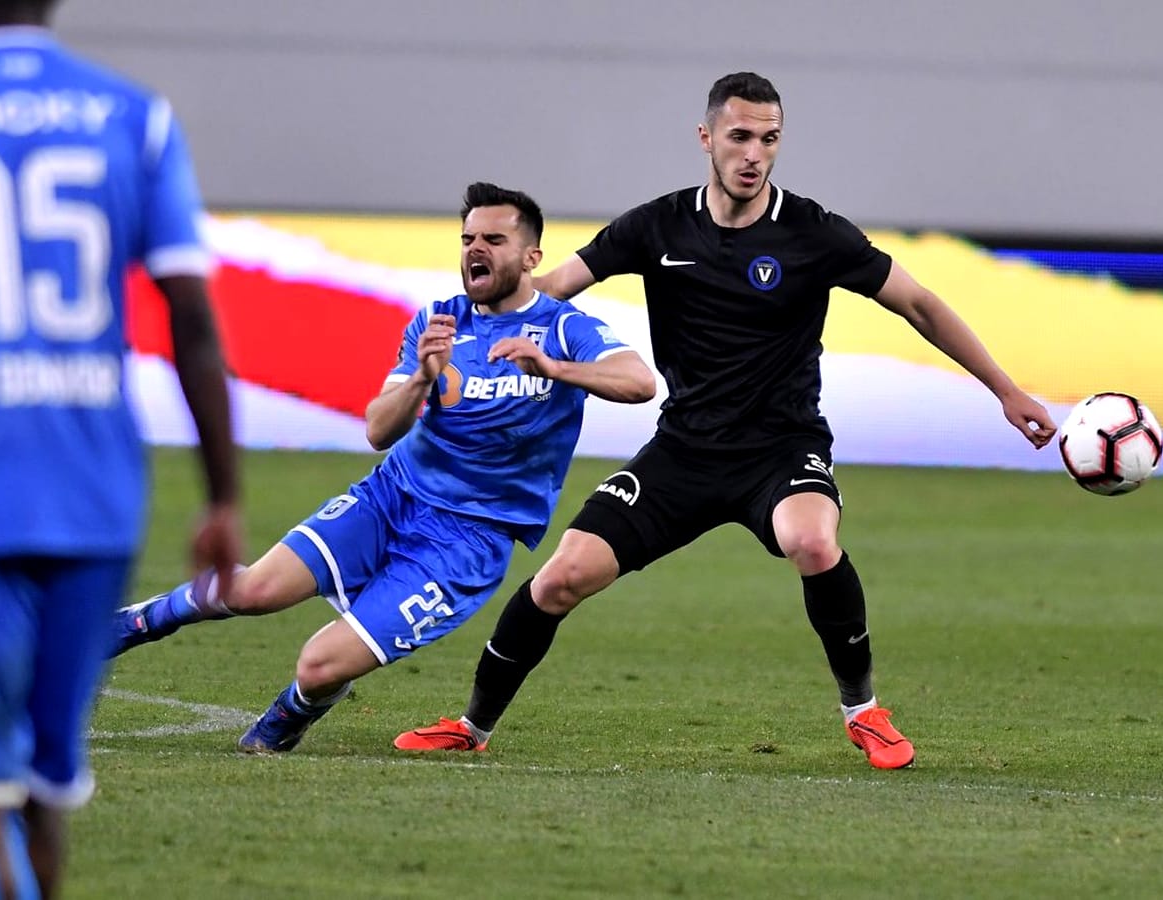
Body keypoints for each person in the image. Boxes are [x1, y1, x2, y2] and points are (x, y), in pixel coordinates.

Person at [394, 72, 1058, 770]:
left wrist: (1005, 392)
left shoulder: (814, 232)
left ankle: (864, 711)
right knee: (562, 576)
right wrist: (479, 339)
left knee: (810, 538)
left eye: (769, 139)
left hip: (782, 448)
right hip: (683, 451)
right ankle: (472, 724)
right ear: (707, 138)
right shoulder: (656, 226)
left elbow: (918, 303)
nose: (754, 154)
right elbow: (550, 290)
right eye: (739, 137)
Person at [110, 182, 657, 757]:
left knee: (318, 666)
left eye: (494, 239)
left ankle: (283, 721)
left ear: (531, 257)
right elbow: (377, 430)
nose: (477, 249)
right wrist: (422, 376)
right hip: (391, 498)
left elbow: (639, 382)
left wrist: (551, 366)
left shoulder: (565, 328)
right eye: (469, 238)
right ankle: (137, 622)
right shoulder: (439, 320)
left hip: (467, 542)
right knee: (253, 591)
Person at [0, 1, 243, 896]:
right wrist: (223, 497)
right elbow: (191, 318)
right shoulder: (132, 115)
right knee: (49, 783)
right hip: (92, 493)